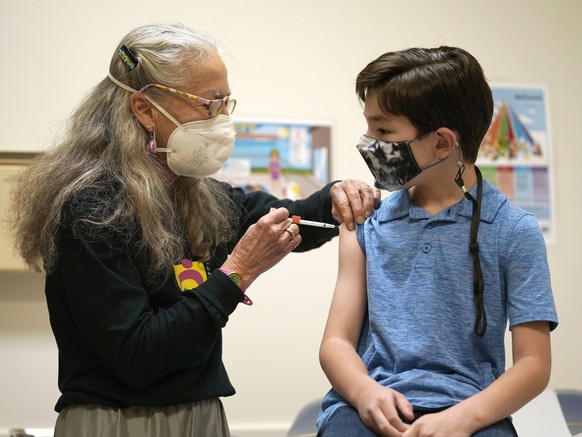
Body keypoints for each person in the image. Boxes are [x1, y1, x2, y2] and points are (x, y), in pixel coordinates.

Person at [9, 23, 379, 437]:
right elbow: (138, 355)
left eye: (226, 104)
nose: (222, 121)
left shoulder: (202, 196)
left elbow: (291, 219)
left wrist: (339, 196)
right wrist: (238, 271)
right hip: (118, 420)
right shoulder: (93, 210)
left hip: (200, 415)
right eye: (209, 105)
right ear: (145, 109)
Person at [316, 46, 558, 437]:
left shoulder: (514, 231)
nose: (368, 143)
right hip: (366, 405)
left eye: (383, 131)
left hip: (472, 412)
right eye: (368, 127)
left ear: (443, 143)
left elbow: (533, 365)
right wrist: (364, 393)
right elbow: (337, 341)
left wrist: (461, 420)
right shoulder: (364, 221)